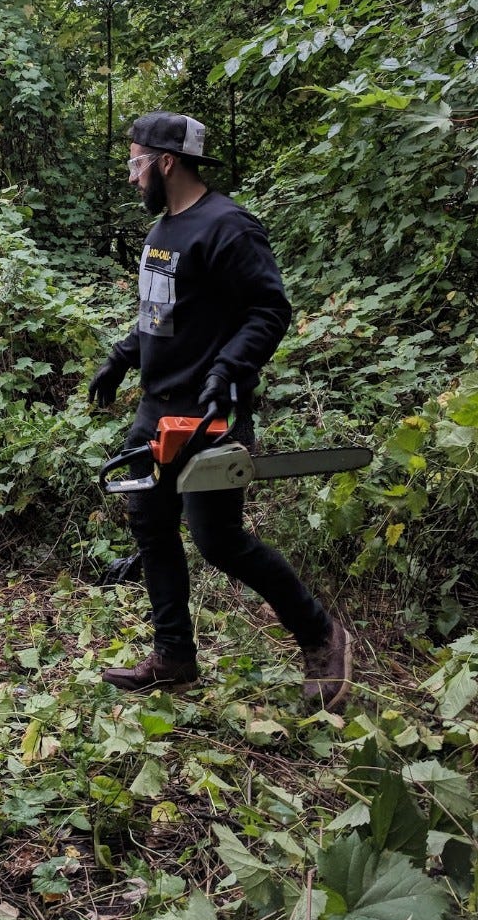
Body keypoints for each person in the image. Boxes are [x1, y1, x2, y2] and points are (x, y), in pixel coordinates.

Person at [88, 110, 351, 713]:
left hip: (209, 413)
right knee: (152, 527)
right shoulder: (162, 233)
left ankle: (322, 636)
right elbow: (160, 315)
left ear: (166, 162)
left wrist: (227, 370)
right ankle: (174, 657)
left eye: (135, 163)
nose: (132, 177)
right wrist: (122, 357)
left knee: (218, 540)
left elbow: (269, 310)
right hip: (158, 410)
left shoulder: (228, 228)